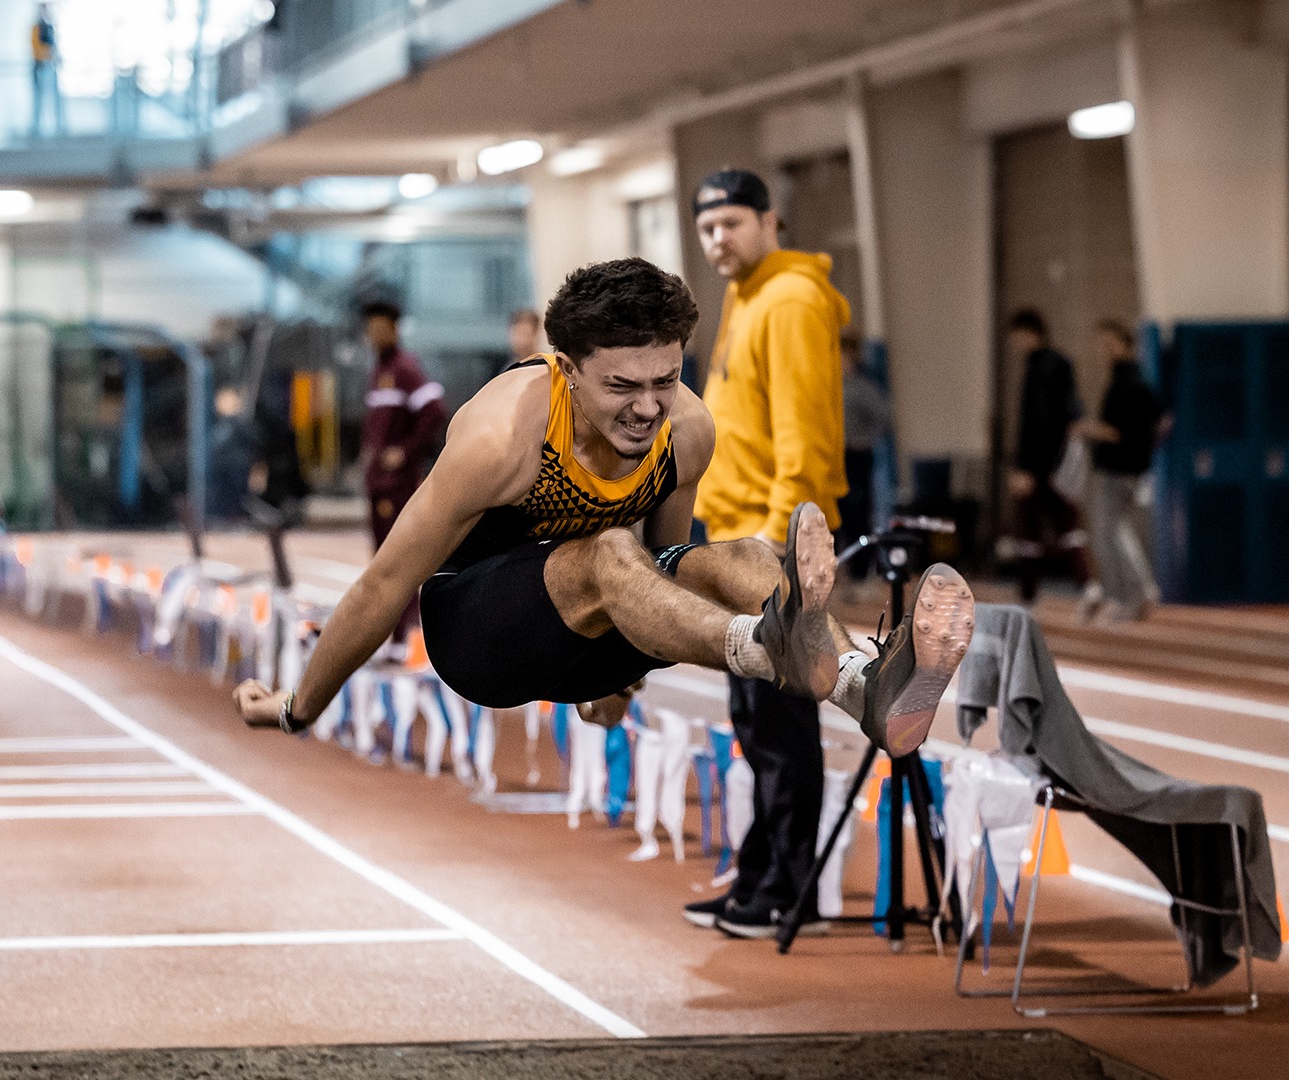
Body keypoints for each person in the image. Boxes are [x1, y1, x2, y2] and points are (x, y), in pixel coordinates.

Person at [233, 258, 973, 828]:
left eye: (666, 379)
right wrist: (299, 706)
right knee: (610, 553)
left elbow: (668, 575)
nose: (648, 407)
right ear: (567, 368)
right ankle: (774, 644)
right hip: (478, 636)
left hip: (594, 623)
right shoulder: (502, 438)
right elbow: (382, 586)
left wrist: (619, 683)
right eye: (622, 385)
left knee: (742, 557)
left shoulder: (687, 433)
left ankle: (863, 689)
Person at [683, 169, 852, 939]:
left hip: (768, 548)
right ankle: (763, 874)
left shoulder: (790, 300)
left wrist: (785, 552)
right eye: (707, 226)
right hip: (731, 540)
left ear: (771, 220)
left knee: (780, 727)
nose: (719, 237)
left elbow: (805, 439)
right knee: (754, 725)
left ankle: (791, 891)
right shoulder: (745, 295)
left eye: (732, 223)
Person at [359, 300, 446, 643]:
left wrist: (406, 452)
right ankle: (390, 633)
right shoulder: (378, 372)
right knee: (381, 559)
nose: (373, 335)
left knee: (399, 560)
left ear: (394, 329)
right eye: (370, 329)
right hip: (377, 481)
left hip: (397, 484)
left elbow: (434, 410)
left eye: (379, 328)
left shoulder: (405, 368)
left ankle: (403, 636)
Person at [1079, 320, 1164, 622]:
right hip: (1129, 468)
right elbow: (1162, 419)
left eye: (1110, 344)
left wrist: (1088, 429)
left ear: (1126, 345)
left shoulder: (1127, 383)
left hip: (1117, 468)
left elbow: (1117, 431)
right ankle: (1135, 591)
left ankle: (1129, 594)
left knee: (1110, 533)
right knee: (1116, 531)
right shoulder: (1137, 380)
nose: (1105, 350)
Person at [1006, 308, 1087, 604]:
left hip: (1042, 465)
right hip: (1055, 462)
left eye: (1017, 336)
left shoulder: (1041, 368)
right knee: (1067, 527)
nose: (1015, 343)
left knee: (1031, 531)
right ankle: (1086, 586)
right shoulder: (1058, 364)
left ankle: (1029, 595)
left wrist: (1024, 466)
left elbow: (1036, 422)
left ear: (1029, 332)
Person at [837, 333, 892, 580]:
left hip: (856, 456)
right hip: (832, 458)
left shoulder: (862, 386)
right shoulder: (828, 385)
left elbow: (883, 418)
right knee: (835, 516)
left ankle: (861, 571)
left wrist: (863, 440)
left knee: (857, 514)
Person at [30, 3, 65, 138]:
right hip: (41, 68)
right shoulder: (36, 28)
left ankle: (59, 128)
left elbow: (55, 46)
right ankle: (37, 130)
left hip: (51, 68)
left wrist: (56, 56)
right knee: (39, 100)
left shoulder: (50, 27)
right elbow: (35, 48)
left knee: (56, 100)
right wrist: (49, 55)